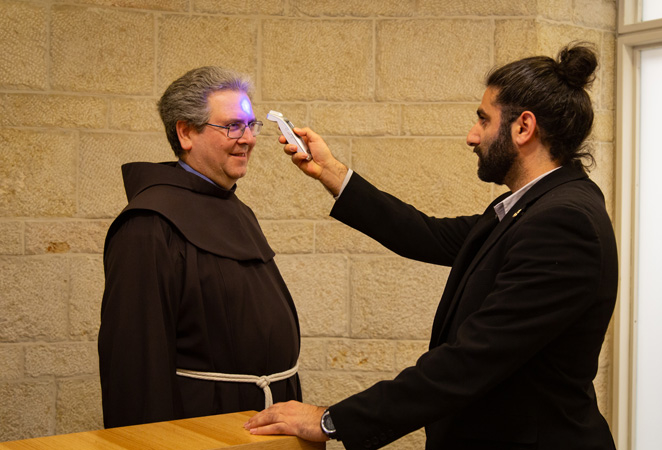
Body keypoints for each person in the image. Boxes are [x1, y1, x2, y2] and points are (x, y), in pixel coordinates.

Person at [244, 43, 618, 450]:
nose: (472, 137)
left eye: (483, 119)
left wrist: (332, 421)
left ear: (523, 128)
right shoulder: (532, 206)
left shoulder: (563, 221)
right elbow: (428, 234)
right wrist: (333, 173)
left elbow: (470, 361)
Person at [98, 66, 302, 428]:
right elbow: (135, 369)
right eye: (232, 126)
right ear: (186, 132)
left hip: (266, 420)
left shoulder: (238, 210)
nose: (248, 138)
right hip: (205, 425)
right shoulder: (149, 225)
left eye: (252, 124)